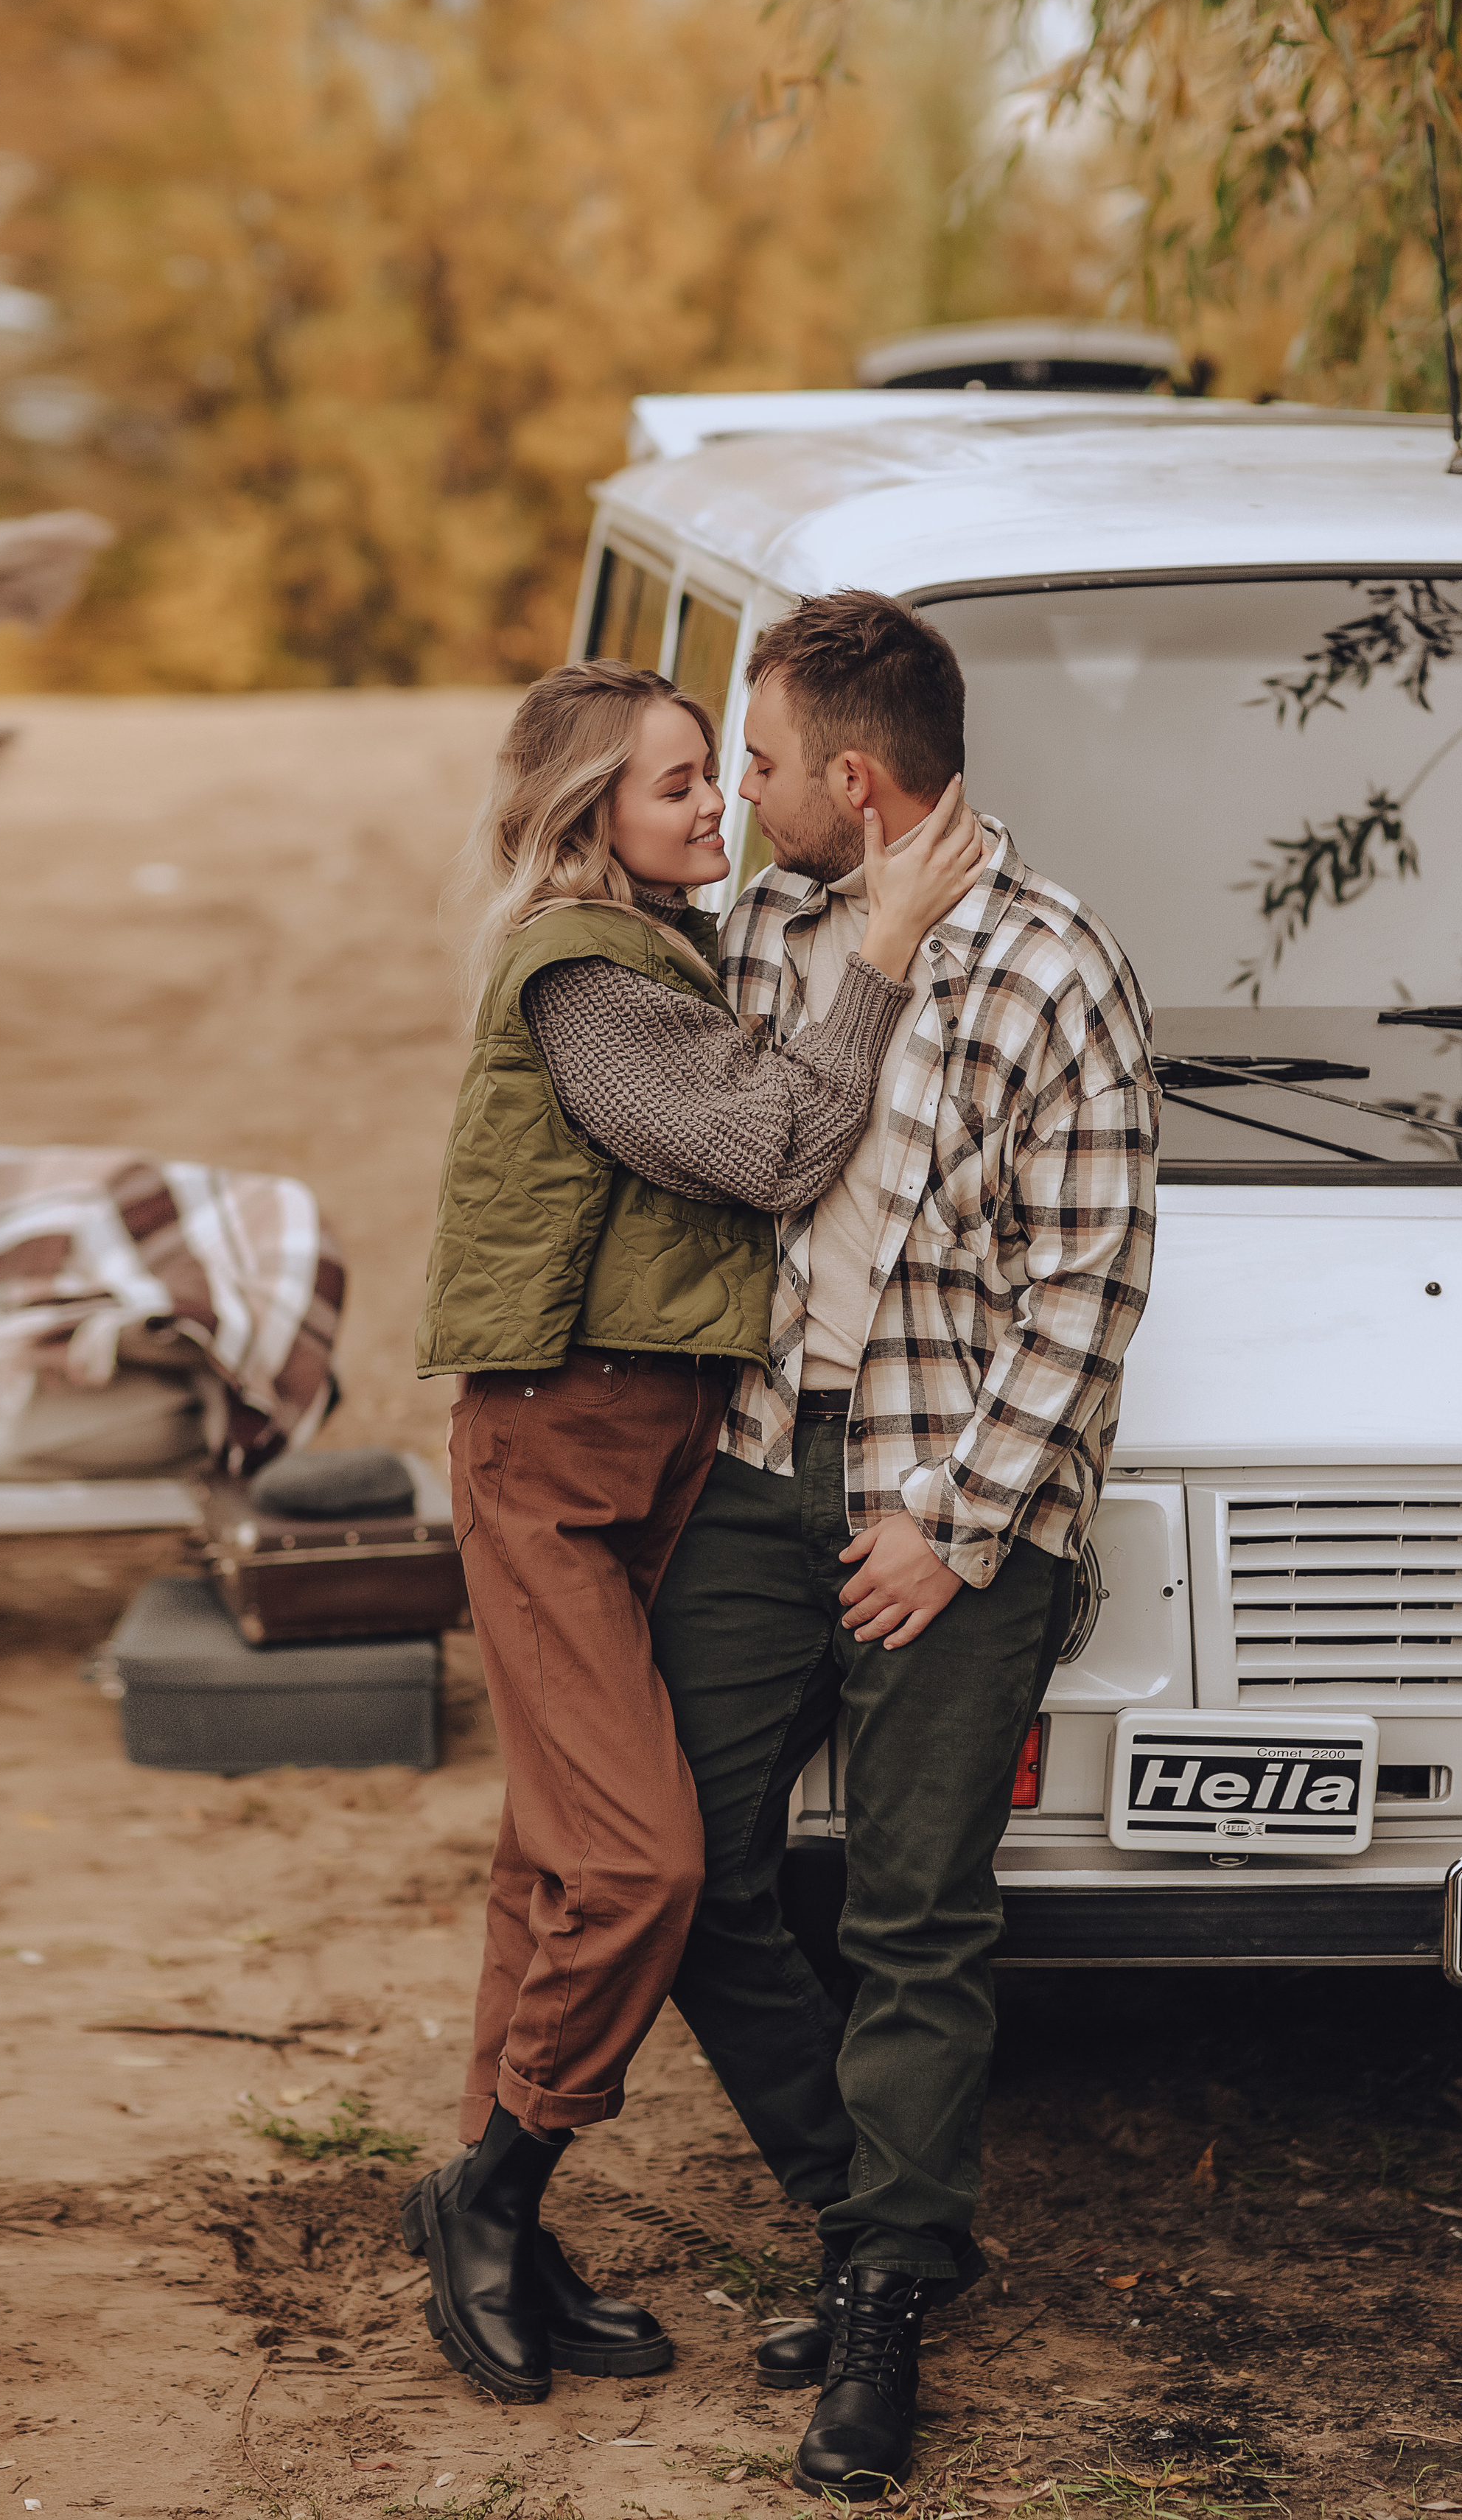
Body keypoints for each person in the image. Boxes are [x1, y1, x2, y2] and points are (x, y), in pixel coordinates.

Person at [403, 659, 982, 2406]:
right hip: (556, 1459)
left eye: (715, 777)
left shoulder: (673, 947)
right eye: (675, 788)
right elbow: (767, 1148)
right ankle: (484, 2199)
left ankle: (511, 2213)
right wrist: (883, 952)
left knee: (553, 1856)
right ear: (590, 818)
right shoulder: (584, 977)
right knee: (645, 1863)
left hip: (657, 1459)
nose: (711, 810)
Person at [647, 592, 1158, 2502]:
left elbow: (1090, 1285)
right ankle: (887, 2206)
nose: (738, 790)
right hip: (769, 1463)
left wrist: (948, 1526)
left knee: (911, 1909)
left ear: (852, 780)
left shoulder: (1057, 969)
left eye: (759, 760)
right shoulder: (770, 927)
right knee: (676, 1858)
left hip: (959, 1490)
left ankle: (874, 2306)